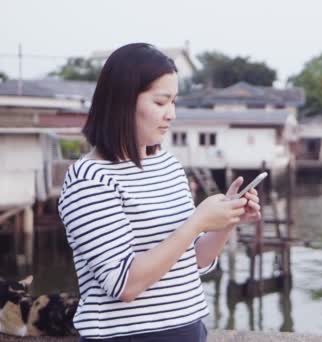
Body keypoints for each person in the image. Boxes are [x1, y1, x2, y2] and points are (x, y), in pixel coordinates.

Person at [57, 43, 261, 341]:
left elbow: (191, 262)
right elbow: (124, 284)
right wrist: (197, 222)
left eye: (174, 102)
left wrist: (225, 222)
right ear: (123, 101)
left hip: (189, 330)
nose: (171, 114)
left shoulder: (167, 165)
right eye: (161, 102)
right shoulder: (89, 179)